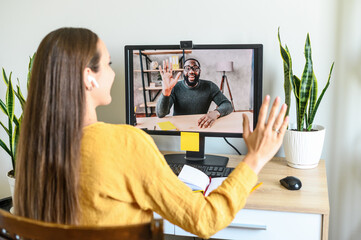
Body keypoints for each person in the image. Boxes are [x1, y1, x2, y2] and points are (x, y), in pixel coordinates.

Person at [14, 27, 288, 239]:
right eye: (108, 64)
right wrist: (256, 157)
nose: (113, 73)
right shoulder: (125, 144)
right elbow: (205, 219)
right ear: (89, 77)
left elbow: (225, 104)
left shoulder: (33, 147)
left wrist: (215, 112)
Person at [156, 58, 233, 128]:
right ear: (183, 71)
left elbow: (227, 105)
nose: (191, 71)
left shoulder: (210, 86)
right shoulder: (175, 87)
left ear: (200, 71)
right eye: (187, 68)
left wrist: (216, 113)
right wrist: (166, 92)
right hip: (180, 127)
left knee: (199, 143)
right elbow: (161, 113)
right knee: (185, 144)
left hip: (200, 125)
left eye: (195, 68)